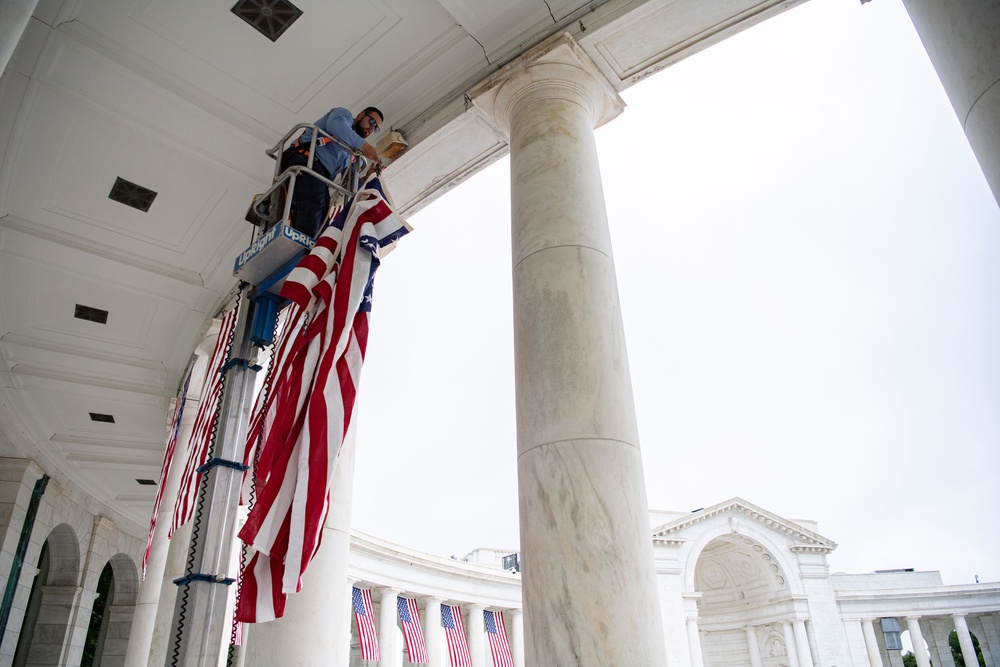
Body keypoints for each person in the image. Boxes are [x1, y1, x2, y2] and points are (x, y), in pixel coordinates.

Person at [279, 106, 383, 237]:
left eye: (376, 128)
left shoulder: (353, 152)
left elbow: (349, 186)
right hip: (303, 158)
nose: (372, 128)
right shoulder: (343, 115)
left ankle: (315, 250)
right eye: (372, 122)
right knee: (314, 202)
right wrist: (363, 145)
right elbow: (335, 124)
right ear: (362, 115)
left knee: (323, 211)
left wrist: (366, 178)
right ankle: (305, 247)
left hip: (318, 177)